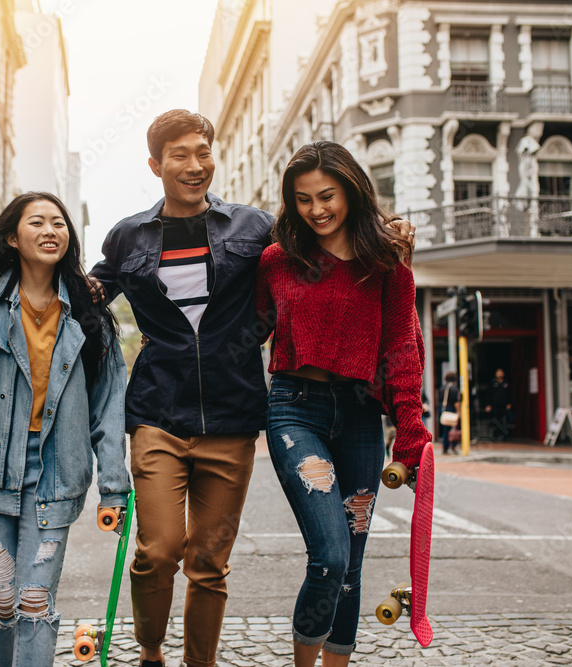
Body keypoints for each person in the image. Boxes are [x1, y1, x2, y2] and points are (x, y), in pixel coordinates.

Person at [89, 110, 415, 667]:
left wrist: (388, 233)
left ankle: (202, 662)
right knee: (159, 549)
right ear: (155, 164)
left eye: (203, 152)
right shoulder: (128, 236)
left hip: (233, 412)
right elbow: (91, 289)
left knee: (212, 560)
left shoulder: (253, 229)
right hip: (157, 411)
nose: (195, 165)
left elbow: (326, 238)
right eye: (180, 155)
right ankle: (149, 650)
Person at [255, 141, 430, 667]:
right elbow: (250, 333)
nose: (317, 209)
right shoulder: (277, 260)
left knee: (352, 564)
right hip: (294, 409)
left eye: (327, 195)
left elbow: (402, 348)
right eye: (303, 199)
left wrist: (411, 430)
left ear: (352, 190)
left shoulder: (386, 263)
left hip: (359, 416)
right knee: (329, 556)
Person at [0, 192, 131, 667]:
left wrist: (114, 486)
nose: (51, 230)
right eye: (37, 222)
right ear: (13, 236)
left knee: (34, 601)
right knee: (4, 599)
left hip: (54, 472)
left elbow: (109, 406)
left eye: (59, 222)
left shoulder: (90, 313)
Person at [484, 368, 512, 441]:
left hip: (504, 405)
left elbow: (510, 394)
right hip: (494, 406)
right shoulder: (492, 383)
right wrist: (488, 404)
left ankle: (505, 436)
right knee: (495, 421)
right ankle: (495, 435)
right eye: (498, 372)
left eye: (501, 372)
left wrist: (509, 403)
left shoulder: (506, 383)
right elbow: (488, 394)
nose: (500, 374)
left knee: (505, 421)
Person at [438, 371, 461, 454]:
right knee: (455, 428)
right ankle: (453, 445)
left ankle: (445, 447)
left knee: (445, 430)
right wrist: (459, 412)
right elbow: (456, 403)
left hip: (442, 410)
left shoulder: (442, 388)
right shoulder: (454, 389)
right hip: (450, 410)